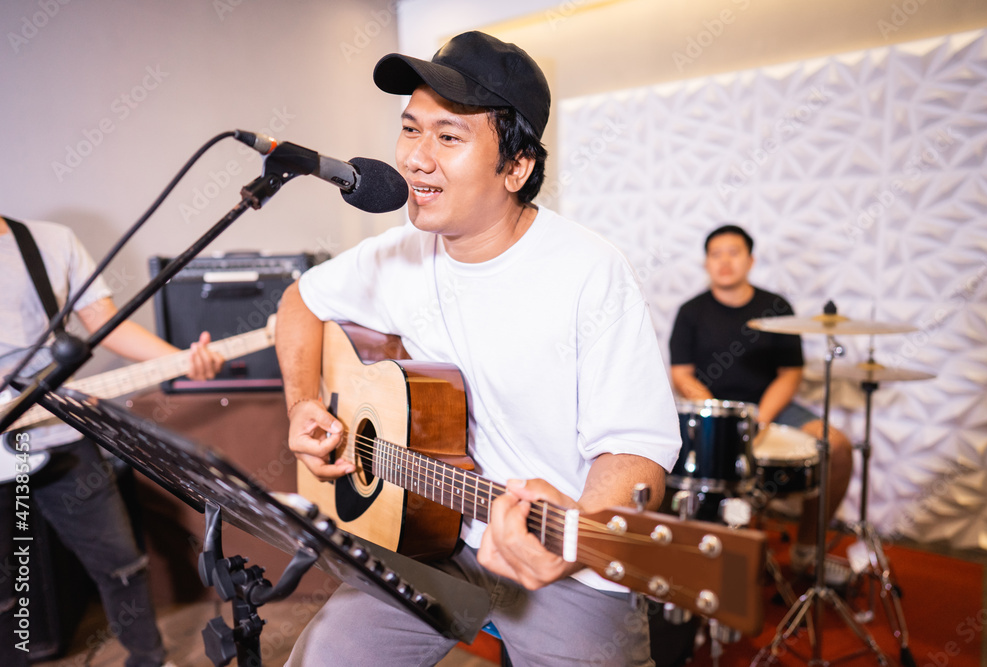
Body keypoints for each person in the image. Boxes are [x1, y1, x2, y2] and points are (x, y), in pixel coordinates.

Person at [277, 31, 681, 666]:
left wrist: (577, 533)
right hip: (430, 535)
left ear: (516, 168)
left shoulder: (589, 270)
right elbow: (299, 303)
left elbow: (636, 451)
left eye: (449, 137)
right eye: (411, 130)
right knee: (326, 655)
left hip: (563, 559)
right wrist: (303, 404)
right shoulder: (396, 254)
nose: (415, 158)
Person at [0, 216, 224, 666]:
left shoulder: (49, 241)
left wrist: (181, 360)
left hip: (60, 431)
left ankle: (148, 659)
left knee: (122, 564)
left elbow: (105, 322)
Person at [668, 223, 854, 580]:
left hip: (773, 407)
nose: (724, 261)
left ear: (750, 259)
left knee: (839, 448)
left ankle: (805, 552)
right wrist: (721, 416)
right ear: (706, 262)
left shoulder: (776, 306)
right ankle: (703, 553)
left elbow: (790, 373)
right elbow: (681, 374)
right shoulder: (691, 311)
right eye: (715, 254)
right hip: (715, 412)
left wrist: (760, 420)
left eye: (733, 252)